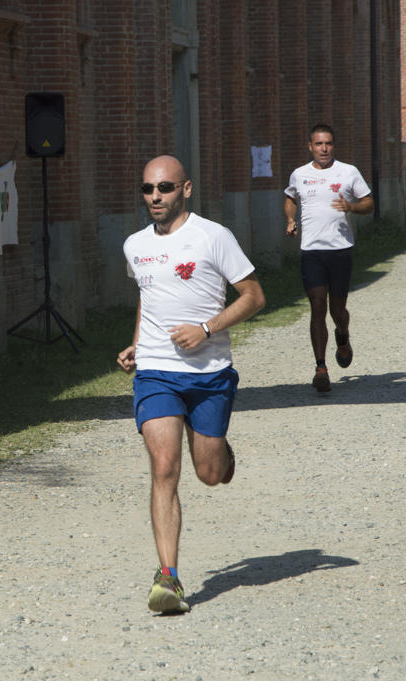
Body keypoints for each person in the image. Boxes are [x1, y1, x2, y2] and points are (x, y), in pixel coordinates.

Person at [117, 155, 265, 614]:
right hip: (156, 372)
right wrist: (138, 344)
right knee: (164, 466)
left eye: (164, 187)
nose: (154, 196)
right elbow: (149, 296)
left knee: (209, 473)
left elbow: (255, 296)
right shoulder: (135, 245)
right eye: (147, 188)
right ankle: (168, 577)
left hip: (209, 373)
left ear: (185, 189)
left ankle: (219, 451)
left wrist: (206, 328)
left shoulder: (212, 236)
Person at [284, 124, 374, 393]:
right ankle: (321, 369)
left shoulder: (348, 172)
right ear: (310, 146)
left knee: (337, 311)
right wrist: (290, 219)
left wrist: (351, 206)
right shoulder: (300, 174)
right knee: (317, 307)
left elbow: (369, 203)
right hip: (311, 251)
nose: (324, 149)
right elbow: (290, 197)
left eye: (328, 143)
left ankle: (342, 335)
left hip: (340, 250)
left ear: (334, 145)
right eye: (319, 144)